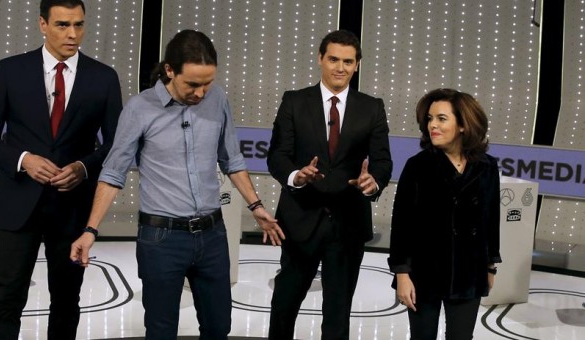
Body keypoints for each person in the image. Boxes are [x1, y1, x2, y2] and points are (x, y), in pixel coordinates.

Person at [70, 29, 285, 340]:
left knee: (218, 327)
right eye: (193, 85)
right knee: (160, 331)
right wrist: (90, 230)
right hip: (161, 240)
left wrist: (256, 205)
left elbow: (232, 160)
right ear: (169, 70)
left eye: (207, 84)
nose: (201, 93)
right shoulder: (139, 108)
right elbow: (113, 173)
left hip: (212, 236)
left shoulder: (218, 98)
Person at [0, 0, 123, 338]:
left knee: (67, 300)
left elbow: (117, 144)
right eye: (62, 25)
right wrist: (23, 159)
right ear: (43, 24)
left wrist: (84, 167)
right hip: (17, 207)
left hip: (72, 210)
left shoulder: (104, 78)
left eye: (79, 25)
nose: (72, 34)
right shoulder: (10, 70)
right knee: (7, 297)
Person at [267, 29, 393, 339]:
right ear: (321, 59)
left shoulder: (372, 107)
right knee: (285, 305)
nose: (340, 67)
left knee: (338, 313)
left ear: (357, 65)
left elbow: (382, 161)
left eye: (348, 61)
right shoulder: (294, 101)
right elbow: (277, 156)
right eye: (334, 59)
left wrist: (373, 181)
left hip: (348, 224)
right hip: (300, 221)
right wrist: (297, 176)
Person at [387, 88, 501, 340]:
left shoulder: (488, 166)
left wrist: (491, 267)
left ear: (463, 124)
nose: (432, 126)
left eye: (441, 118)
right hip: (424, 273)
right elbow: (402, 224)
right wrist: (402, 274)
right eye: (429, 119)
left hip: (469, 272)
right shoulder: (418, 166)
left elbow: (491, 221)